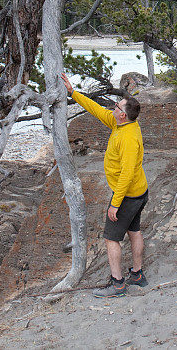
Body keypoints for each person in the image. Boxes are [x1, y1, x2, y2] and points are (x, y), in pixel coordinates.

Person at [60, 73, 149, 298]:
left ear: (122, 114)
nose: (113, 106)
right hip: (139, 192)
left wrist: (115, 204)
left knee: (111, 238)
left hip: (128, 195)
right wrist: (73, 93)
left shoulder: (128, 138)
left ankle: (117, 283)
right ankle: (137, 275)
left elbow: (127, 175)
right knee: (134, 230)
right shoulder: (123, 124)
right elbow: (97, 110)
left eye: (117, 105)